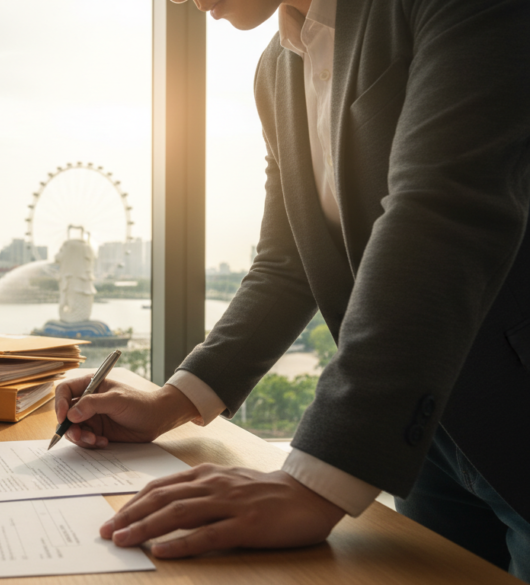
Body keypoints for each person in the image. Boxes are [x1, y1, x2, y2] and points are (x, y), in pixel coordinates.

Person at [54, 0, 530, 579]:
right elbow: (288, 262)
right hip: (421, 429)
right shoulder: (276, 69)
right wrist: (171, 401)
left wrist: (314, 478)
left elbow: (442, 214)